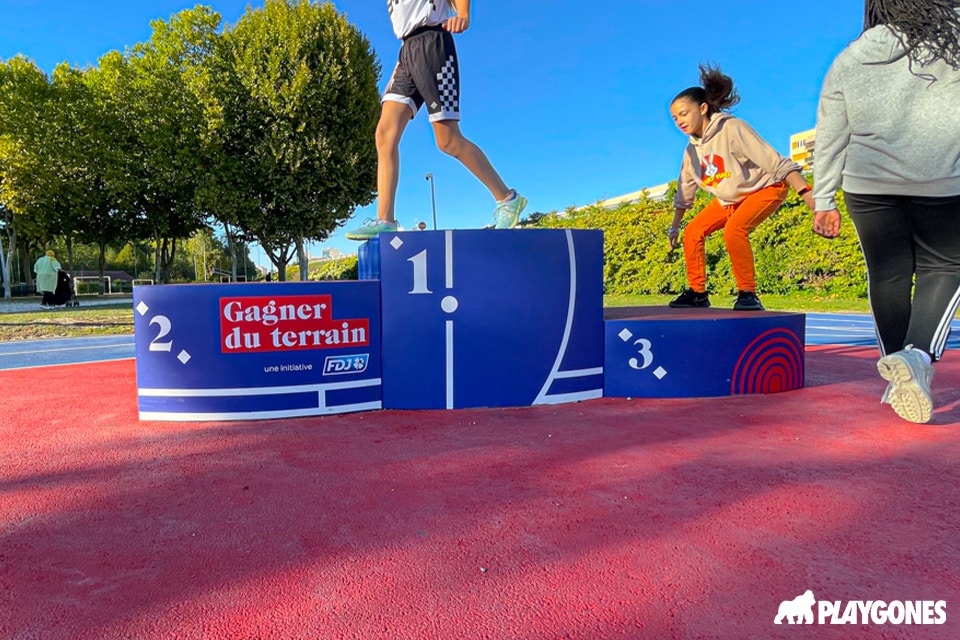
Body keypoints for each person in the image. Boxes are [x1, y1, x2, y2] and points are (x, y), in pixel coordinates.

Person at [812, 0, 960, 424]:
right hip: (943, 181)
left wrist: (824, 199)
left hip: (868, 184)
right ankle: (916, 357)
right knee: (946, 265)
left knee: (889, 273)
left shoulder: (851, 56)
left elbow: (830, 134)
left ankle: (900, 371)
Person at [345, 0, 526, 240]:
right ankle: (385, 220)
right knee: (384, 134)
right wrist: (403, 58)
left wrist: (463, 13)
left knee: (448, 140)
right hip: (406, 52)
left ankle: (507, 199)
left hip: (433, 46)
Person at [667, 64, 816, 311]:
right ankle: (697, 293)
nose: (679, 121)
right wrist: (674, 227)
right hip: (731, 200)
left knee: (734, 230)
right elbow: (685, 192)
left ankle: (748, 294)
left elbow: (776, 162)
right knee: (692, 232)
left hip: (766, 188)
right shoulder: (691, 152)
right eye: (674, 118)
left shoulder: (733, 129)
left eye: (683, 113)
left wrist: (808, 195)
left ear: (703, 108)